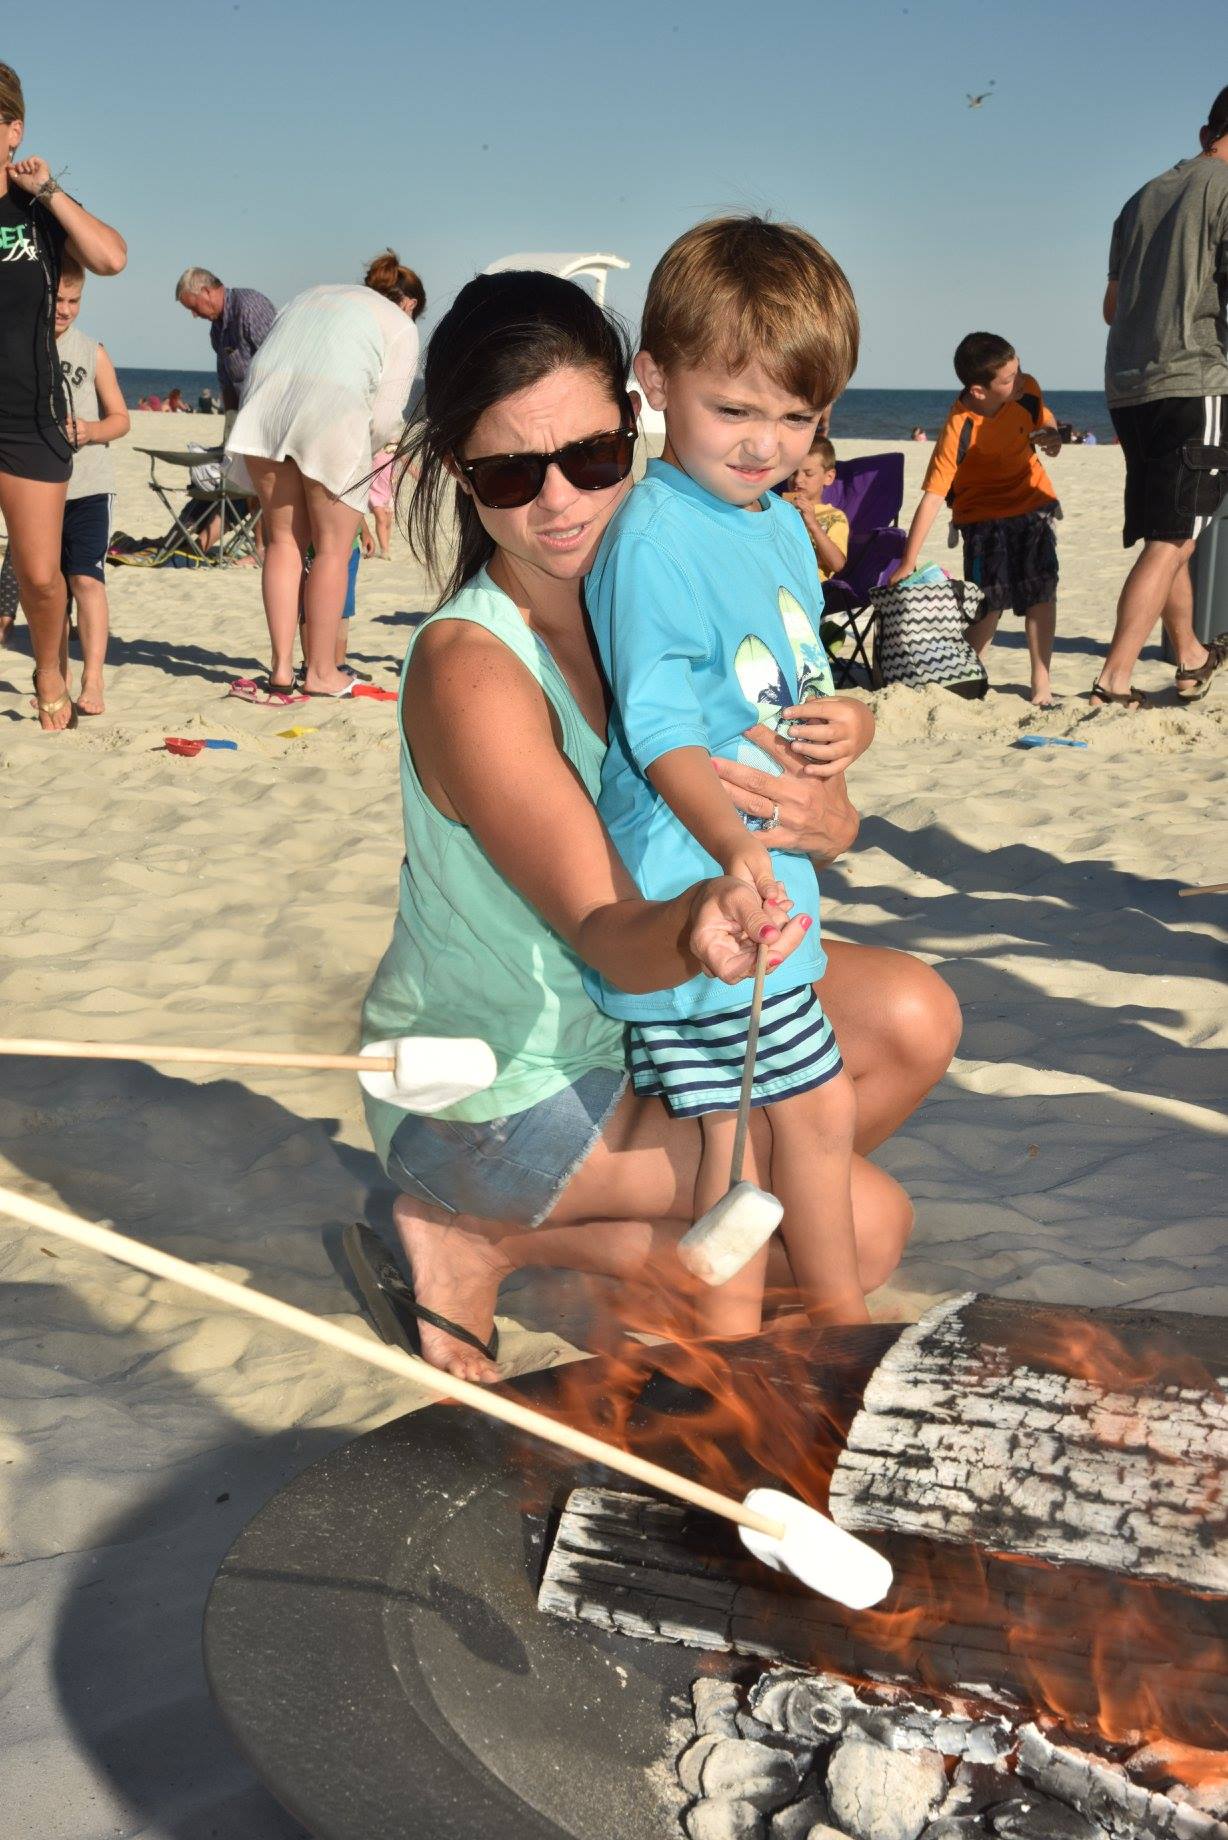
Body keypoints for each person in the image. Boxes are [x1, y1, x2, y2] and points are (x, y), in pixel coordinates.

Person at [358, 268, 962, 1385]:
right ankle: (474, 1226)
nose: (561, 502)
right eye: (508, 471)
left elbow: (771, 740)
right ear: (458, 472)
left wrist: (827, 805)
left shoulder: (657, 565)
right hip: (504, 1087)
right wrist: (697, 919)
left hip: (637, 1022)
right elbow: (600, 921)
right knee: (862, 1226)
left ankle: (548, 1249)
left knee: (915, 1015)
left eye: (591, 457)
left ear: (635, 420)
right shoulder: (473, 669)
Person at [585, 218, 870, 1338]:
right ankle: (735, 1357)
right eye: (733, 409)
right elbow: (659, 730)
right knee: (737, 1139)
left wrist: (854, 724)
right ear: (654, 380)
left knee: (814, 1105)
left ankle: (841, 1319)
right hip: (696, 886)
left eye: (795, 418)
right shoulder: (653, 534)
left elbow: (794, 687)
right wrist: (734, 850)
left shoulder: (777, 527)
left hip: (771, 888)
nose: (764, 444)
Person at [225, 251, 421, 700]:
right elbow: (386, 417)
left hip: (265, 406)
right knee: (333, 550)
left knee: (282, 542)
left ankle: (279, 669)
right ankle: (320, 671)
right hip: (332, 413)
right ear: (408, 303)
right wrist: (364, 458)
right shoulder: (401, 325)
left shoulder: (312, 294)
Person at [0, 61, 126, 730]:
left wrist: (47, 190)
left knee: (42, 576)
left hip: (28, 418)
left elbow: (109, 258)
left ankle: (50, 666)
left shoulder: (35, 210)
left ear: (12, 129)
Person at [1094, 86, 1228, 709]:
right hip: (1195, 377)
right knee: (1173, 537)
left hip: (1128, 387)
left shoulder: (1139, 198)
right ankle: (1113, 679)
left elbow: (1111, 307)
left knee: (1172, 528)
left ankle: (1190, 656)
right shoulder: (1224, 190)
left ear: (1207, 131)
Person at [891, 332, 1064, 707]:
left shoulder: (1026, 389)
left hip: (1033, 502)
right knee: (988, 601)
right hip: (981, 517)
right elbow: (934, 495)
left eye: (1018, 371)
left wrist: (1050, 435)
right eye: (1008, 379)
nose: (1019, 381)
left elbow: (1042, 416)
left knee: (1041, 592)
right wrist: (908, 561)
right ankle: (971, 671)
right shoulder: (959, 426)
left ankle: (1041, 682)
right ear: (979, 390)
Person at [55, 255, 128, 714]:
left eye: (74, 301)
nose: (64, 309)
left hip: (89, 484)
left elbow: (120, 418)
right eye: (57, 299)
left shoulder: (91, 350)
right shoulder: (20, 346)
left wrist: (89, 430)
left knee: (86, 580)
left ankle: (93, 680)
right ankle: (55, 677)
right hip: (38, 486)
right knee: (47, 588)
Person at [173, 267, 276, 428]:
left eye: (193, 307)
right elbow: (227, 383)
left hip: (272, 416)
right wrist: (230, 429)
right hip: (250, 421)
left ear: (206, 291)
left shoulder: (249, 307)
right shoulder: (216, 329)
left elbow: (279, 365)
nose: (194, 315)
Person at [784, 433, 850, 580]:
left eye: (808, 474)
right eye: (793, 472)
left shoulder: (834, 516)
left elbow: (837, 564)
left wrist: (813, 524)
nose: (798, 480)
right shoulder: (778, 509)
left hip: (811, 585)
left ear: (828, 477)